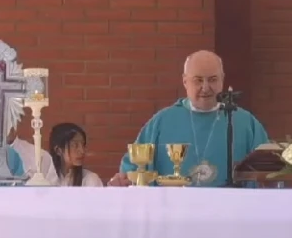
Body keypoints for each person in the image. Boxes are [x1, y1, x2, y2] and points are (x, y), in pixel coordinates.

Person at [108, 50, 269, 187]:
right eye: (198, 80)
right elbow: (135, 170)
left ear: (222, 79)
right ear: (185, 81)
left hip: (230, 211)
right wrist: (124, 180)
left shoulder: (244, 123)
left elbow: (268, 173)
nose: (205, 87)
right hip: (173, 210)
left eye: (212, 79)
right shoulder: (162, 122)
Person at [49, 122, 103, 187]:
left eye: (83, 145)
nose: (82, 151)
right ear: (58, 150)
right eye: (75, 145)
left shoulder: (90, 179)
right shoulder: (46, 179)